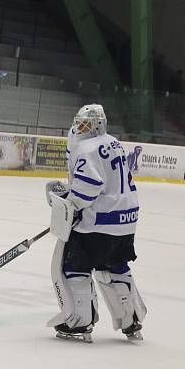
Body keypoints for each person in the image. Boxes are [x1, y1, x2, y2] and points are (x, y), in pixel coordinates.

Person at [45, 103, 146, 343]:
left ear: (96, 125)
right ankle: (131, 319)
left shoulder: (86, 148)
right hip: (126, 221)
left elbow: (89, 186)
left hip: (99, 223)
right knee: (114, 266)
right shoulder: (114, 142)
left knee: (74, 267)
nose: (79, 127)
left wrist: (71, 204)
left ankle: (80, 321)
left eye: (84, 124)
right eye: (79, 122)